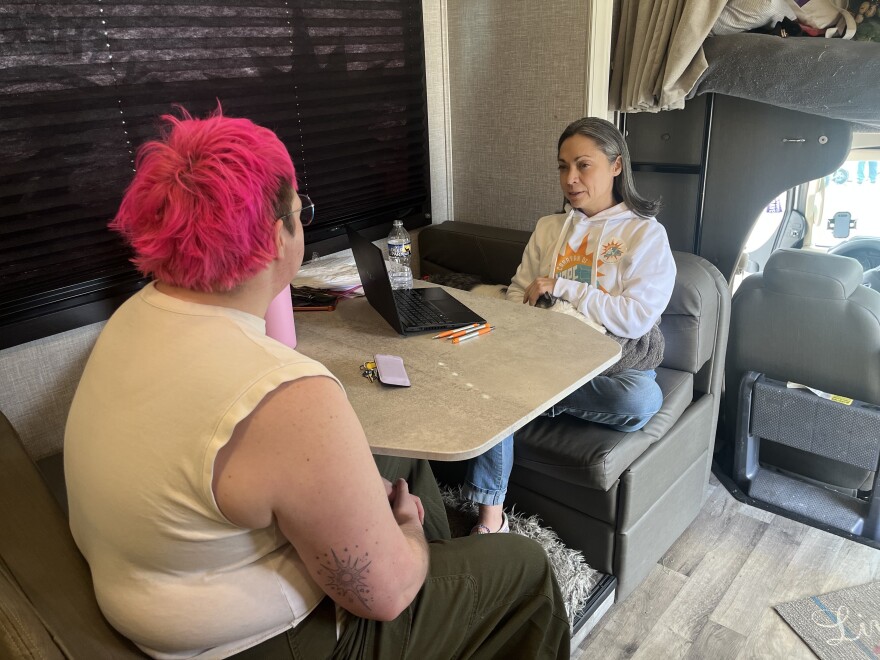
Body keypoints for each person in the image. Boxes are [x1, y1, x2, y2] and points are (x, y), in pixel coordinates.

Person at [64, 108, 570, 659]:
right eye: (299, 210)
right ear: (275, 234)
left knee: (398, 459)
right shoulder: (284, 393)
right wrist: (407, 531)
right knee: (525, 567)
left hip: (154, 586)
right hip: (257, 643)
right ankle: (435, 578)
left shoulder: (134, 317)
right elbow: (383, 596)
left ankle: (442, 607)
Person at [463, 117, 676, 535]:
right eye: (563, 167)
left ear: (616, 165)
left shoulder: (645, 235)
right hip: (543, 355)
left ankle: (528, 399)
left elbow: (636, 318)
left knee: (642, 399)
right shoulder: (549, 227)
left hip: (607, 366)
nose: (570, 178)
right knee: (496, 375)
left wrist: (564, 287)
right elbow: (517, 294)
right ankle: (491, 521)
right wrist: (530, 324)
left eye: (583, 165)